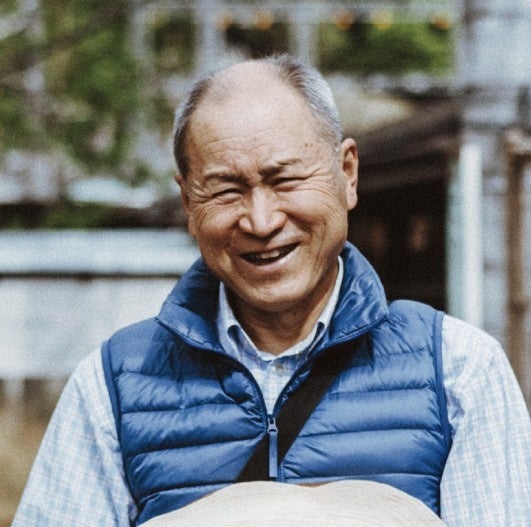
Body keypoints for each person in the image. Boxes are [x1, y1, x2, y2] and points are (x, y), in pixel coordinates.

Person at [13, 55, 530, 527]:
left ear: (347, 174)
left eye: (285, 181)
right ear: (188, 202)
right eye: (226, 190)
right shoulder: (113, 386)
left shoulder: (459, 371)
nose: (261, 222)